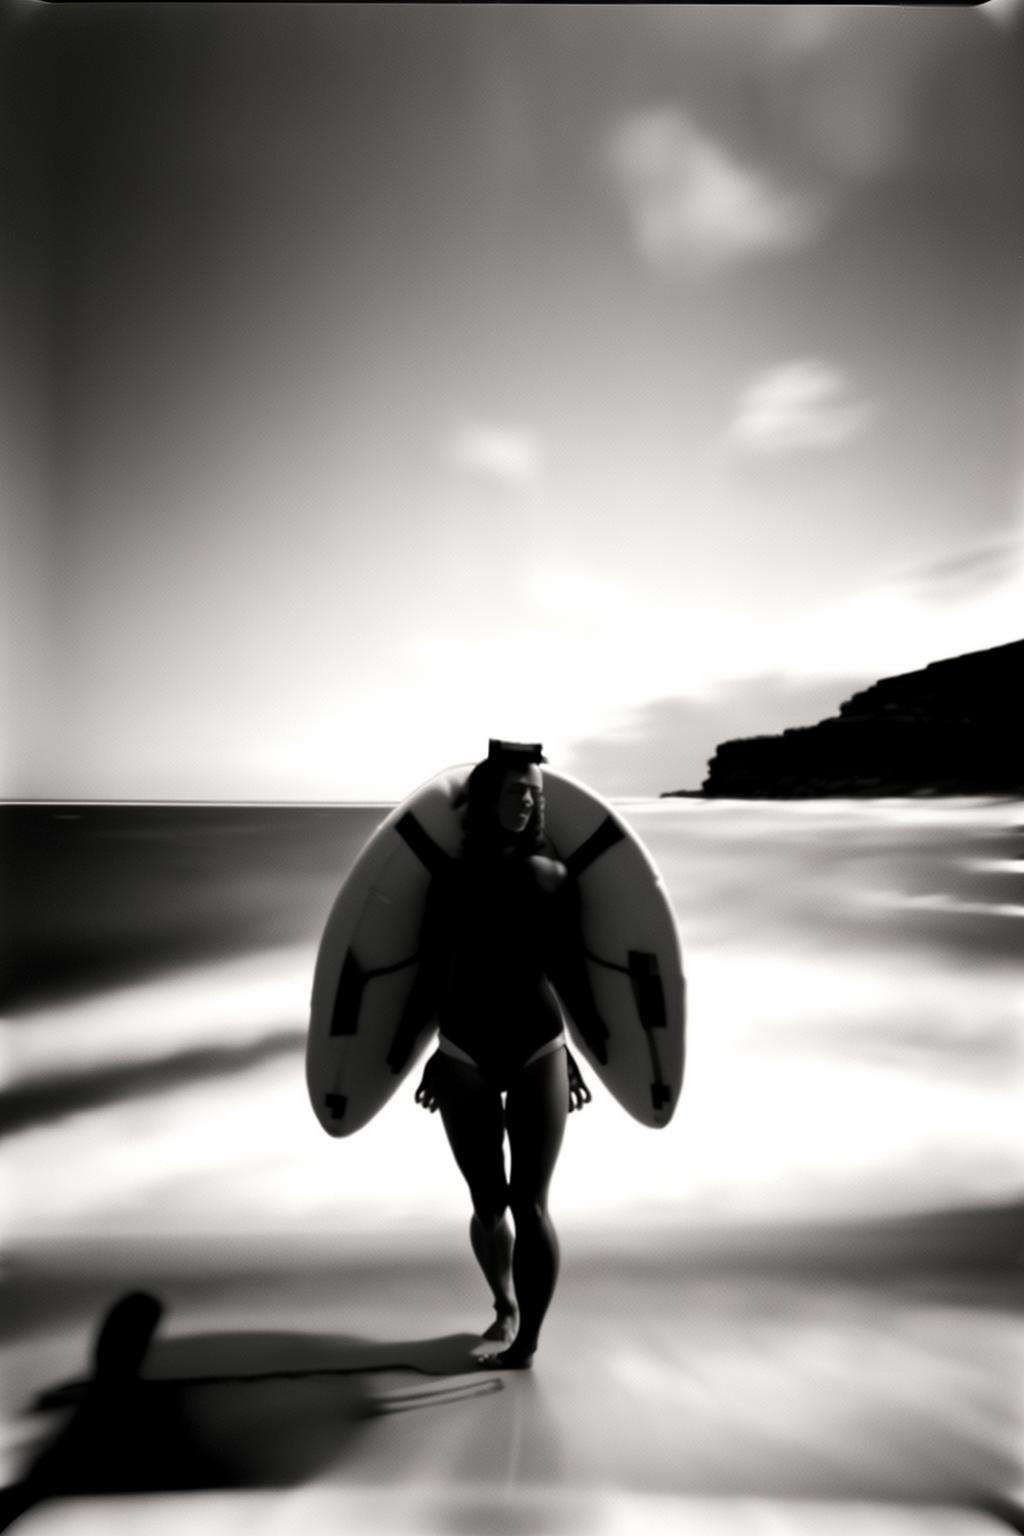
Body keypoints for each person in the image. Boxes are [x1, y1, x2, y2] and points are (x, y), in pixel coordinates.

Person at [386, 740, 609, 1369]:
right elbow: (432, 972)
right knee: (488, 1204)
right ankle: (503, 1303)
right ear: (485, 798)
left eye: (535, 794)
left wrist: (586, 1056)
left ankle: (528, 1343)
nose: (527, 801)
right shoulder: (451, 881)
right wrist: (410, 1048)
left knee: (530, 1203)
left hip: (540, 1044)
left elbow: (570, 969)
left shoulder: (554, 877)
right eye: (515, 791)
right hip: (462, 1049)